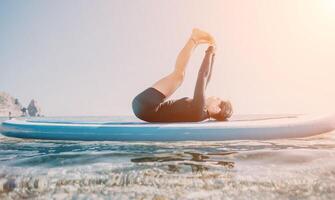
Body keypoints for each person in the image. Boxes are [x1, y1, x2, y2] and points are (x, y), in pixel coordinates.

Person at [132, 29, 233, 122]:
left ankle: (194, 39)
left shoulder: (199, 109)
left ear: (216, 109)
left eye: (219, 100)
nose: (217, 98)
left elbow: (203, 75)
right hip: (144, 108)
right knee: (179, 75)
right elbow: (207, 79)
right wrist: (213, 55)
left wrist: (210, 51)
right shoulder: (200, 112)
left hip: (146, 106)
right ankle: (194, 40)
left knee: (178, 76)